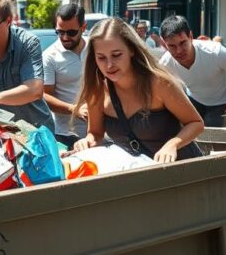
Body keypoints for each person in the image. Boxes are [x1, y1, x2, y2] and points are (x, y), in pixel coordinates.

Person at [73, 18, 204, 163]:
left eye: (116, 55)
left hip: (184, 171)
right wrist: (86, 142)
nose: (109, 65)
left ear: (131, 50)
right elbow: (95, 134)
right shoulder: (96, 90)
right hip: (137, 176)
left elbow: (196, 123)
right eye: (101, 58)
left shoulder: (159, 83)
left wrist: (172, 144)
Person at [158, 15, 226, 127]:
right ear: (164, 44)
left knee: (214, 135)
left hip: (224, 100)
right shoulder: (165, 64)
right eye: (172, 46)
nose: (179, 51)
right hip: (194, 100)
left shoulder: (214, 51)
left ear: (191, 36)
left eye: (183, 43)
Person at [42, 3, 89, 147]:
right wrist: (74, 109)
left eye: (71, 32)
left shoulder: (95, 47)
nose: (65, 37)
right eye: (60, 32)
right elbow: (44, 95)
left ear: (83, 27)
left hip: (99, 131)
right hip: (65, 134)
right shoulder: (50, 56)